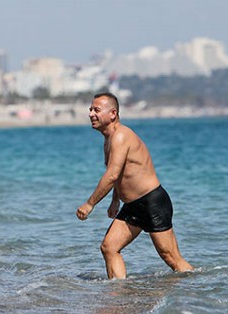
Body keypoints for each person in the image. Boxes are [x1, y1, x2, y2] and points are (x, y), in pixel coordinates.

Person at [76, 92, 193, 279]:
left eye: (96, 110)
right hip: (133, 206)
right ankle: (119, 295)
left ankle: (198, 289)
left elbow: (112, 174)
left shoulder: (121, 136)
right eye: (90, 109)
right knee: (109, 248)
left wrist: (90, 204)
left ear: (113, 114)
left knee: (171, 258)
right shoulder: (109, 139)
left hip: (151, 202)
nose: (91, 114)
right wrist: (115, 200)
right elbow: (120, 174)